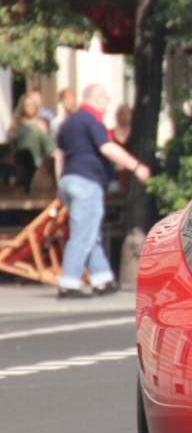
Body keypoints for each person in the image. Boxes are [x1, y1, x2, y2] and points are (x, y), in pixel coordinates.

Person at [55, 84, 150, 298]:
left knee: (90, 232)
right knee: (82, 233)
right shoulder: (90, 119)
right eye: (106, 100)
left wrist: (59, 186)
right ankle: (68, 283)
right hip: (86, 182)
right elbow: (106, 147)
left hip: (70, 179)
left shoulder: (69, 122)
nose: (107, 107)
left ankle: (102, 279)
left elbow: (60, 155)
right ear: (97, 99)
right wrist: (136, 166)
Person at [10, 92, 55, 191]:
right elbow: (11, 145)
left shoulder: (40, 124)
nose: (30, 107)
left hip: (37, 166)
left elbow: (48, 145)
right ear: (22, 107)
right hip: (19, 167)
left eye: (32, 105)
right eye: (27, 105)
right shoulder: (16, 123)